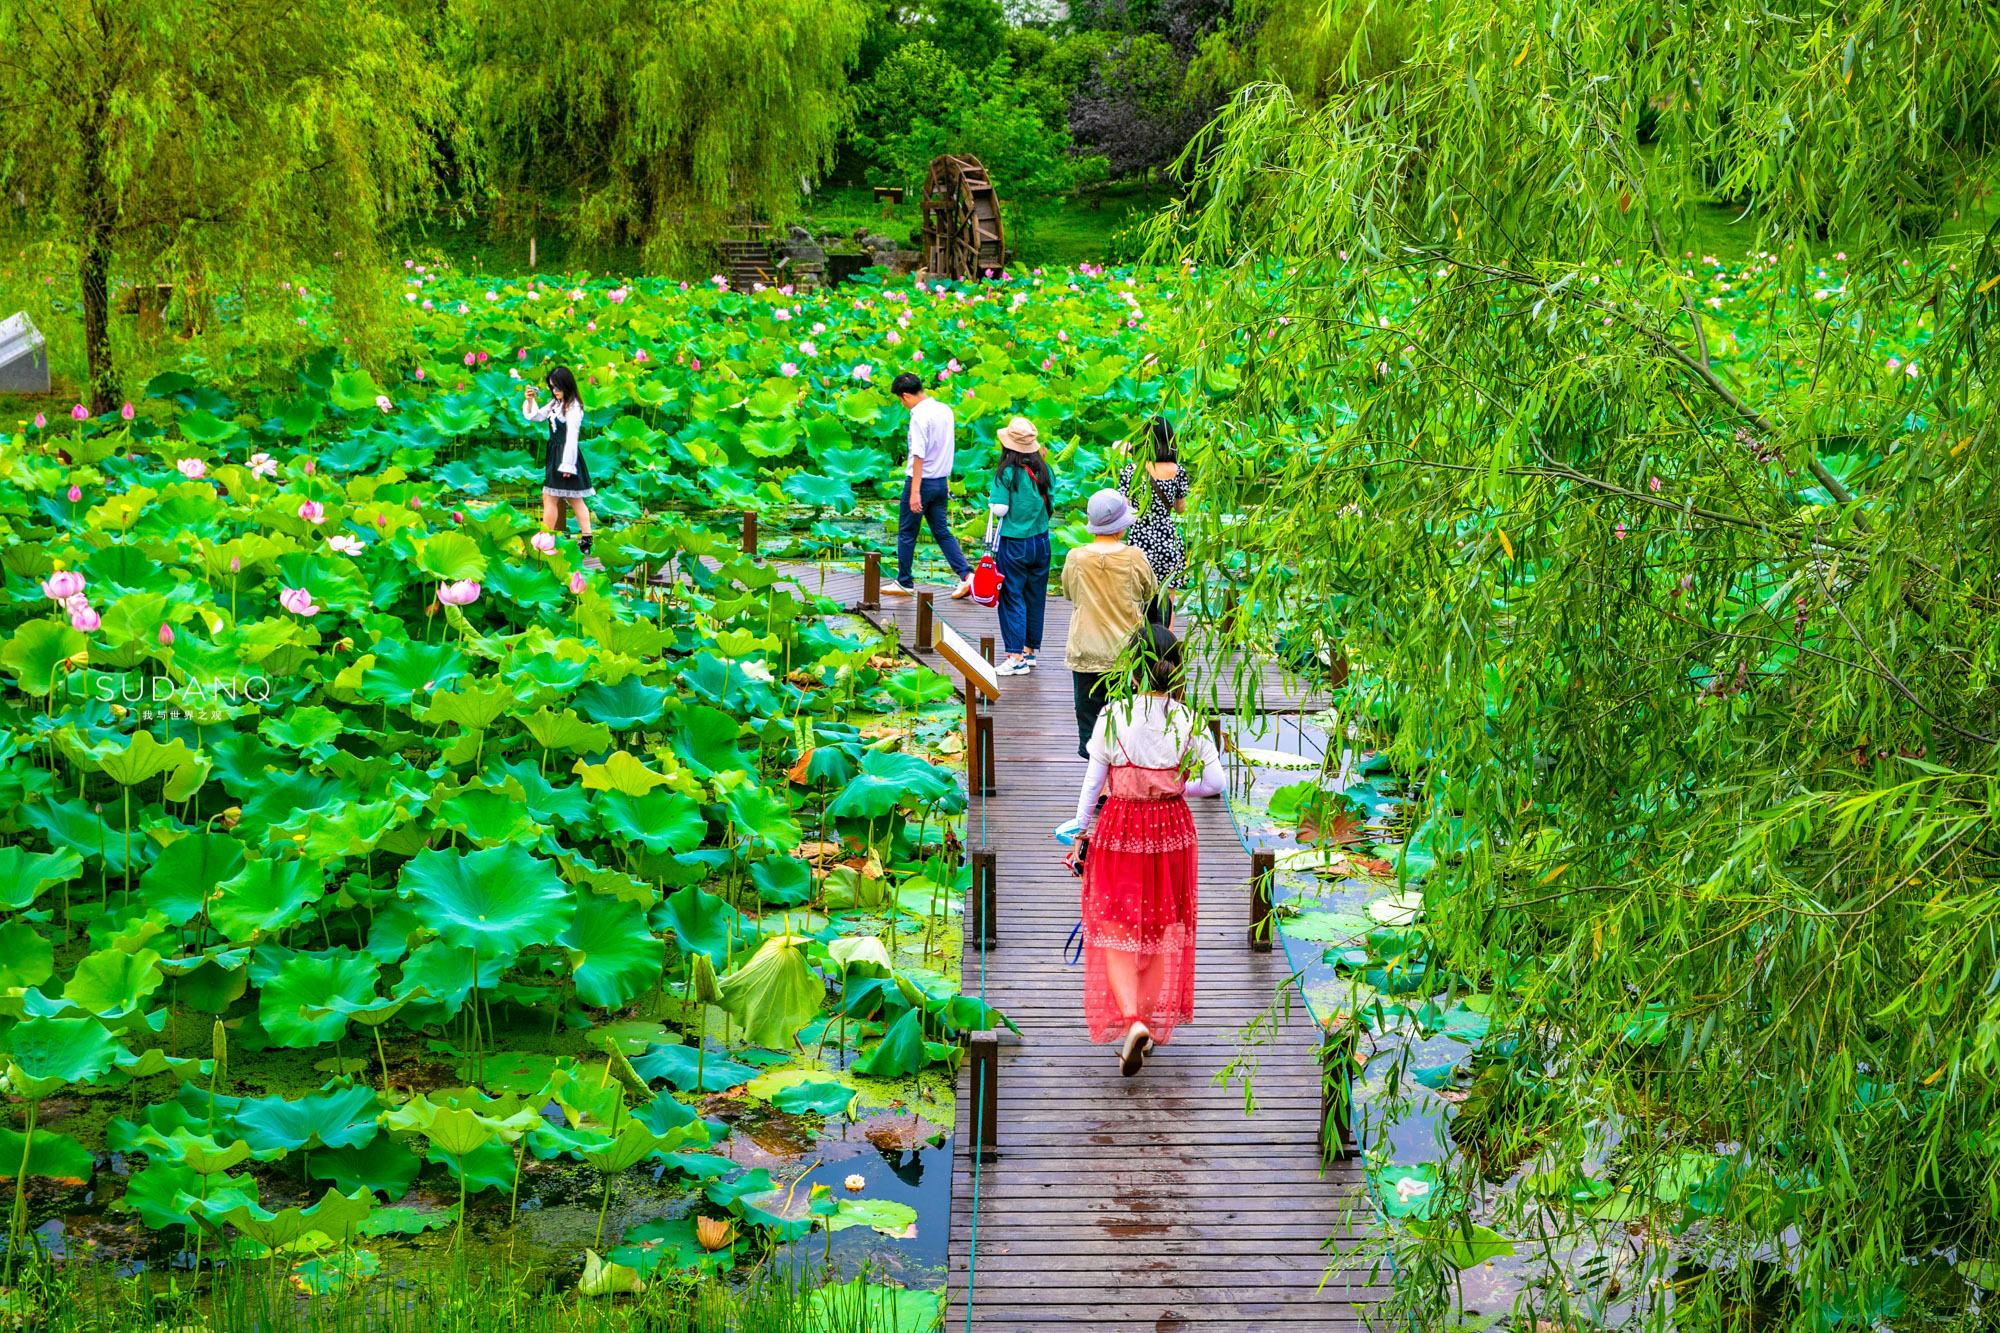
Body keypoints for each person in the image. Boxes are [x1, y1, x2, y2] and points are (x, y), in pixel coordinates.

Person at [1073, 624, 1225, 1075]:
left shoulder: (1114, 714)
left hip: (1121, 828)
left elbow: (1092, 784)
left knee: (1115, 926)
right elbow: (1216, 783)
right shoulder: (1188, 719)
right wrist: (1175, 786)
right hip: (1172, 831)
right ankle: (1148, 1023)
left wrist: (1080, 831)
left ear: (1132, 669)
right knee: (1161, 930)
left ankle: (1132, 1021)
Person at [1061, 490, 1157, 758]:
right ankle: (1120, 780)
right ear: (1121, 525)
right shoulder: (1135, 556)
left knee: (1091, 730)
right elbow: (1150, 592)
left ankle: (1097, 780)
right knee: (1126, 727)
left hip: (1085, 651)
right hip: (1127, 655)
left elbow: (1069, 594)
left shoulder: (1075, 557)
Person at [884, 371, 973, 599]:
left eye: (900, 400)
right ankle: (966, 576)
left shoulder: (918, 416)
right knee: (941, 531)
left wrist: (914, 492)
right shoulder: (945, 410)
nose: (903, 405)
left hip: (921, 482)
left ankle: (904, 582)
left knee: (907, 532)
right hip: (941, 482)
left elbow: (918, 455)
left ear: (906, 395)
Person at [987, 416, 1054, 676]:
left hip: (1015, 543)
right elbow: (1051, 504)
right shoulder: (1045, 470)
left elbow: (1000, 509)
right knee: (1035, 595)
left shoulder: (1006, 473)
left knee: (1011, 595)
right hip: (1042, 541)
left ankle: (1016, 658)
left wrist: (992, 502)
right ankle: (1029, 650)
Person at [1119, 416, 1188, 627]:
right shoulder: (1178, 471)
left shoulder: (1131, 470)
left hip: (1140, 540)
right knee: (1168, 602)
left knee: (1137, 600)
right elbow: (1181, 509)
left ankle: (1139, 642)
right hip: (1168, 539)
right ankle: (1167, 644)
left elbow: (1122, 507)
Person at [524, 365, 595, 556]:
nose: (554, 391)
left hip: (566, 456)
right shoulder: (555, 403)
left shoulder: (573, 407)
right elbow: (536, 416)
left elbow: (572, 437)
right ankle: (582, 540)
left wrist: (568, 466)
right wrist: (530, 400)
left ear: (567, 385)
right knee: (566, 498)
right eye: (551, 387)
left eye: (557, 387)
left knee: (557, 497)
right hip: (555, 454)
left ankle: (547, 540)